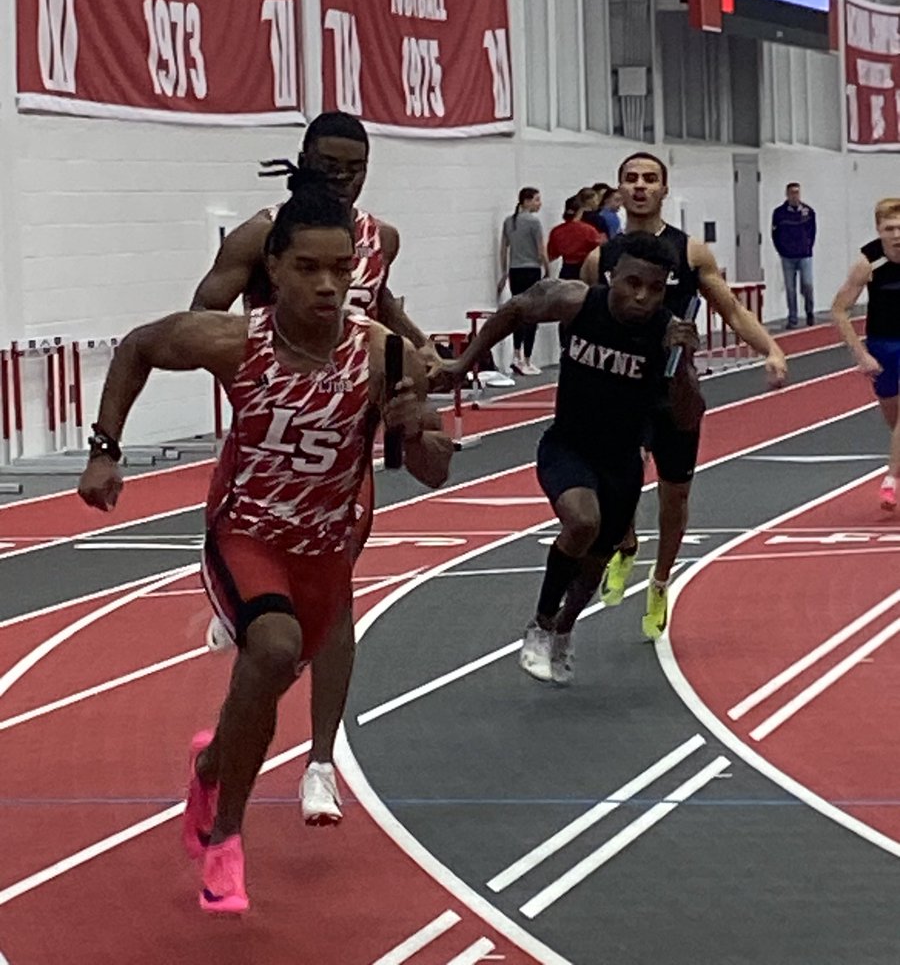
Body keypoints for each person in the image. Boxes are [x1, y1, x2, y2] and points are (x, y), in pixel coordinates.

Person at [78, 180, 454, 912]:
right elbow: (137, 347)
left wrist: (416, 427)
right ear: (274, 268)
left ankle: (212, 765)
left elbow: (434, 468)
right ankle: (225, 839)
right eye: (309, 269)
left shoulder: (386, 355)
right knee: (274, 648)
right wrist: (104, 449)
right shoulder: (233, 341)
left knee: (267, 684)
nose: (327, 285)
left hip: (323, 548)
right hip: (246, 534)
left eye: (342, 271)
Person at [192, 111, 438, 828]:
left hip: (350, 431)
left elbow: (379, 303)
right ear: (304, 160)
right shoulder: (259, 233)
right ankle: (244, 609)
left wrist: (420, 350)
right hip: (274, 424)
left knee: (337, 593)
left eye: (354, 167)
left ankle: (321, 763)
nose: (342, 177)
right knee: (270, 595)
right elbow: (204, 305)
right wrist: (263, 339)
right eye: (329, 165)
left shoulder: (379, 238)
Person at [433, 233, 703, 684]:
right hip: (568, 445)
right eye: (632, 283)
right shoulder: (578, 301)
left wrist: (684, 361)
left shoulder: (666, 333)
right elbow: (518, 308)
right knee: (582, 521)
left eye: (655, 289)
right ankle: (539, 625)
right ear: (612, 276)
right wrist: (465, 364)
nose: (642, 296)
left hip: (621, 462)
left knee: (594, 563)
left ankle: (564, 629)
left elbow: (688, 417)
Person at [581, 152, 788, 639]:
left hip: (676, 391)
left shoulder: (691, 253)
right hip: (619, 390)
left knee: (674, 497)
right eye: (630, 178)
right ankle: (625, 543)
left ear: (663, 190)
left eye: (649, 179)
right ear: (619, 189)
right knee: (617, 488)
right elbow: (582, 317)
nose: (639, 186)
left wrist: (772, 350)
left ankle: (659, 581)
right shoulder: (599, 260)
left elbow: (732, 311)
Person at [831, 197, 900, 512]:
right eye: (890, 229)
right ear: (879, 230)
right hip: (882, 346)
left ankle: (890, 481)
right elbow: (840, 310)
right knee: (894, 420)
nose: (897, 235)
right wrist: (860, 355)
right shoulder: (867, 263)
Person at [498, 187, 549, 375]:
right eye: (536, 200)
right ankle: (527, 358)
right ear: (526, 201)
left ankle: (516, 355)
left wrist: (504, 273)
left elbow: (504, 249)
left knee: (518, 312)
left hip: (514, 271)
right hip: (531, 270)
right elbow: (541, 249)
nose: (539, 203)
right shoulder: (534, 222)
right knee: (532, 314)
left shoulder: (509, 222)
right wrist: (548, 271)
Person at [772, 182, 817, 329]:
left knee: (807, 285)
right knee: (790, 289)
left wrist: (808, 246)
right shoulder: (779, 213)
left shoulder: (808, 212)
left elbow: (812, 232)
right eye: (792, 193)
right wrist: (782, 250)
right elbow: (775, 234)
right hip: (787, 257)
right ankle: (793, 318)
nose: (795, 196)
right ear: (787, 194)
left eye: (797, 193)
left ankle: (809, 312)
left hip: (804, 255)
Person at [547, 195, 605, 279]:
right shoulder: (589, 230)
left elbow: (552, 255)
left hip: (566, 269)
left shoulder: (556, 231)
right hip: (584, 269)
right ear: (580, 211)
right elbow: (599, 249)